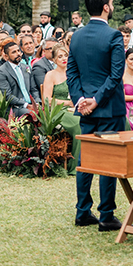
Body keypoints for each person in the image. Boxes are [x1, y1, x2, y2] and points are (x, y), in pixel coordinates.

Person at [67, 0, 126, 232]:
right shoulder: (114, 36)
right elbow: (115, 76)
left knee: (85, 160)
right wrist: (96, 100)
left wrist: (82, 99)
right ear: (105, 7)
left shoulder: (76, 36)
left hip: (86, 110)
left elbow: (72, 73)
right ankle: (106, 215)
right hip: (109, 109)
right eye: (111, 2)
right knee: (108, 163)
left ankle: (82, 212)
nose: (112, 5)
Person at [41, 42, 81, 171]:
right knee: (78, 124)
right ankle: (76, 165)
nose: (64, 59)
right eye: (60, 56)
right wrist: (67, 103)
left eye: (66, 55)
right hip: (57, 111)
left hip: (75, 108)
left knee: (90, 120)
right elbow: (46, 99)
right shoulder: (51, 75)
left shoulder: (74, 73)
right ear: (54, 59)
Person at [0, 40, 33, 115]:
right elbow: (7, 96)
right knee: (33, 114)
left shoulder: (26, 67)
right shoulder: (0, 72)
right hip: (15, 108)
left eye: (18, 51)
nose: (18, 54)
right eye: (13, 52)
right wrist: (26, 105)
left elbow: (34, 89)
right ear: (6, 56)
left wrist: (36, 102)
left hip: (31, 104)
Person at [31, 38, 55, 102]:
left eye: (55, 48)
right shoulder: (39, 66)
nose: (53, 50)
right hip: (50, 102)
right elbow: (45, 88)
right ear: (44, 51)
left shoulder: (63, 63)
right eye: (50, 48)